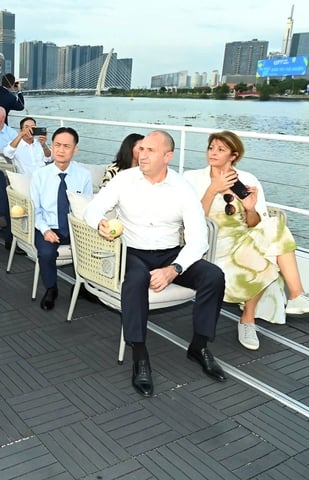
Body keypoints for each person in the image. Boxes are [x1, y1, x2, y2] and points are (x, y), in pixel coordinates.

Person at [83, 130, 227, 397]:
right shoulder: (124, 179)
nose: (142, 154)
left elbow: (199, 240)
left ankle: (199, 346)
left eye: (150, 150)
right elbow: (92, 209)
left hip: (170, 254)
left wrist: (174, 270)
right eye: (142, 149)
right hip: (132, 251)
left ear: (168, 156)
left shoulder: (183, 188)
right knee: (136, 279)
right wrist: (99, 223)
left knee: (213, 275)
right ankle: (139, 355)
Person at [183, 130, 309, 350]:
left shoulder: (248, 179)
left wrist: (250, 208)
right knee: (266, 254)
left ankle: (253, 316)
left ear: (234, 155)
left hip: (243, 238)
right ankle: (292, 297)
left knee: (273, 229)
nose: (213, 152)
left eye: (220, 149)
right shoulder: (192, 178)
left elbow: (254, 223)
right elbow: (192, 220)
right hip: (211, 242)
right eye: (211, 147)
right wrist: (212, 190)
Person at [30, 127, 92, 310]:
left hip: (74, 227)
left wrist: (80, 236)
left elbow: (85, 209)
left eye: (66, 146)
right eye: (57, 145)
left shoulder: (83, 175)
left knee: (98, 249)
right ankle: (51, 288)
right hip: (48, 225)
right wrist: (45, 230)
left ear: (75, 149)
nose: (60, 150)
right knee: (47, 253)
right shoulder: (40, 175)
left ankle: (86, 287)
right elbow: (35, 210)